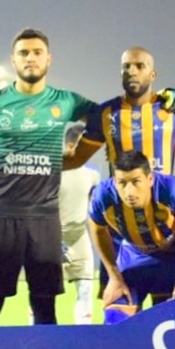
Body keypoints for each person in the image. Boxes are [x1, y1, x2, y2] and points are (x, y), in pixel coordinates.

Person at [0, 28, 99, 326]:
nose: (30, 58)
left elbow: (110, 116)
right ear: (13, 60)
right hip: (0, 219)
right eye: (23, 53)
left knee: (45, 312)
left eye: (37, 52)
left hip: (45, 221)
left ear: (49, 59)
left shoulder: (67, 101)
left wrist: (79, 156)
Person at [64, 46, 175, 307]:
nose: (131, 71)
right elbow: (75, 158)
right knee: (118, 315)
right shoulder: (106, 114)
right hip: (123, 236)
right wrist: (31, 161)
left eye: (139, 66)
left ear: (153, 74)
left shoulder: (173, 113)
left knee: (171, 316)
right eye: (126, 67)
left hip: (169, 229)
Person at [88, 151, 175, 325]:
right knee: (115, 321)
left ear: (149, 179)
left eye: (136, 182)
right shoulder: (102, 196)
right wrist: (114, 276)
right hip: (135, 255)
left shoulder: (172, 190)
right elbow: (97, 230)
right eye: (122, 183)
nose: (129, 192)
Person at [59, 122, 100, 324]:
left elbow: (95, 203)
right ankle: (38, 335)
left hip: (79, 236)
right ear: (71, 145)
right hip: (51, 236)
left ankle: (84, 334)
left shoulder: (92, 175)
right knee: (43, 293)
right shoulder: (52, 172)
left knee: (85, 287)